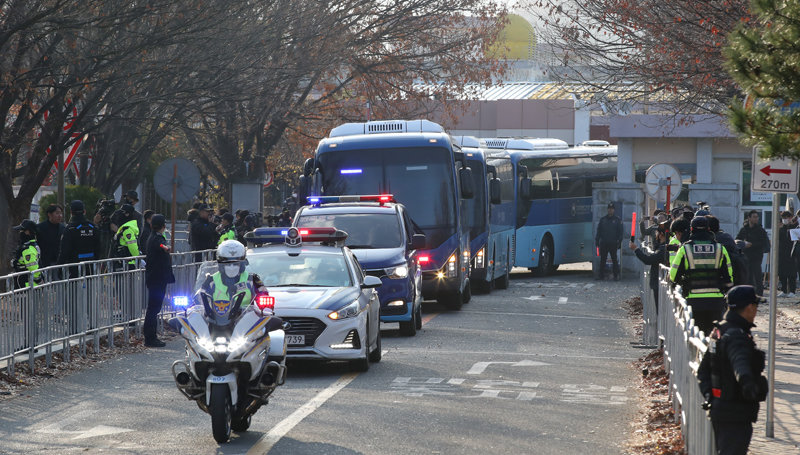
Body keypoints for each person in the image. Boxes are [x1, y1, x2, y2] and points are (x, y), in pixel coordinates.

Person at [697, 285, 768, 455]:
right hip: (735, 413)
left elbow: (702, 371)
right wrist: (748, 384)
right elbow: (740, 362)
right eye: (756, 306)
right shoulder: (737, 336)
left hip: (720, 410)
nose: (756, 310)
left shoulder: (720, 331)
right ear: (750, 307)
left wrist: (710, 396)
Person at [196, 240, 283, 331]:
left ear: (242, 265)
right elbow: (200, 297)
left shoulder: (252, 280)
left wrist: (266, 308)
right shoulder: (211, 280)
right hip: (215, 324)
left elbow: (263, 295)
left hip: (246, 325)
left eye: (235, 264)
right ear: (220, 265)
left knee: (265, 338)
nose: (232, 267)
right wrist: (193, 308)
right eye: (228, 264)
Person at [669, 216, 734, 336]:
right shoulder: (720, 248)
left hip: (694, 301)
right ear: (709, 229)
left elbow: (673, 276)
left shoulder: (685, 249)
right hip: (716, 302)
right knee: (714, 336)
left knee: (697, 338)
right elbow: (729, 277)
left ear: (691, 229)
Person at [144, 214, 174, 347]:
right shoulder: (157, 239)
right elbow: (161, 245)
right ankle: (150, 338)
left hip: (155, 278)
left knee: (153, 308)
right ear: (164, 226)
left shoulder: (152, 237)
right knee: (153, 309)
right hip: (157, 279)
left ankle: (151, 337)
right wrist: (166, 248)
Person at [630, 220, 670, 309]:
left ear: (661, 234)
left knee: (660, 310)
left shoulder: (663, 249)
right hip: (661, 284)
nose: (655, 235)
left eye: (657, 233)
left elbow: (648, 260)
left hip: (660, 285)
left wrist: (636, 249)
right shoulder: (664, 247)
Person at [58, 200, 101, 277]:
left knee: (74, 288)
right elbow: (99, 247)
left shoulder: (70, 228)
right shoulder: (93, 227)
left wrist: (59, 268)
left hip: (74, 267)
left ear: (71, 212)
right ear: (84, 211)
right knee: (90, 287)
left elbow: (64, 251)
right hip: (91, 266)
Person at [706, 215, 747, 286]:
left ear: (708, 228)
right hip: (735, 281)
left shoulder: (712, 243)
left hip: (718, 284)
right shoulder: (727, 237)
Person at [736, 210, 769, 296]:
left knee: (757, 274)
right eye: (754, 217)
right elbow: (737, 239)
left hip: (756, 256)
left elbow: (763, 243)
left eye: (757, 217)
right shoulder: (744, 229)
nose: (756, 219)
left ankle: (759, 293)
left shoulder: (760, 230)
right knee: (747, 275)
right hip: (746, 255)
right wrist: (742, 244)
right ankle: (749, 293)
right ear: (749, 218)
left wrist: (752, 244)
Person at [595, 202, 623, 280]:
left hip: (613, 243)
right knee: (603, 260)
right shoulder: (603, 220)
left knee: (614, 260)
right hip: (604, 243)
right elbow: (599, 231)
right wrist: (597, 241)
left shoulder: (617, 220)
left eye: (612, 209)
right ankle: (601, 275)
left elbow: (620, 232)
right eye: (609, 209)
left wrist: (619, 241)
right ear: (607, 210)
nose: (610, 210)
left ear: (614, 210)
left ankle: (616, 275)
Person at [11, 220, 42, 288]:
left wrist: (39, 281)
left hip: (26, 285)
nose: (20, 232)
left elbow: (33, 267)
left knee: (21, 298)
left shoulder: (27, 249)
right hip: (28, 284)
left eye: (22, 230)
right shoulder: (33, 245)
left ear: (28, 232)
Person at [36, 204, 65, 269]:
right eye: (57, 213)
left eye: (61, 213)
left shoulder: (63, 228)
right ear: (49, 214)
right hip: (45, 262)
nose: (60, 216)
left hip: (59, 261)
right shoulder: (40, 228)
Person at [112, 204, 140, 268]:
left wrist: (138, 257)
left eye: (122, 213)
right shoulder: (124, 228)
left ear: (127, 214)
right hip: (123, 262)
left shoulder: (127, 229)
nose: (119, 216)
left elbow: (132, 246)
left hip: (128, 263)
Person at [777, 210, 797, 297]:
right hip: (782, 253)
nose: (785, 219)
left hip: (792, 253)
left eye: (787, 218)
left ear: (790, 218)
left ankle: (792, 291)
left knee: (792, 273)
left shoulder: (795, 227)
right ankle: (784, 290)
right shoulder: (781, 229)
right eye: (783, 218)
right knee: (782, 273)